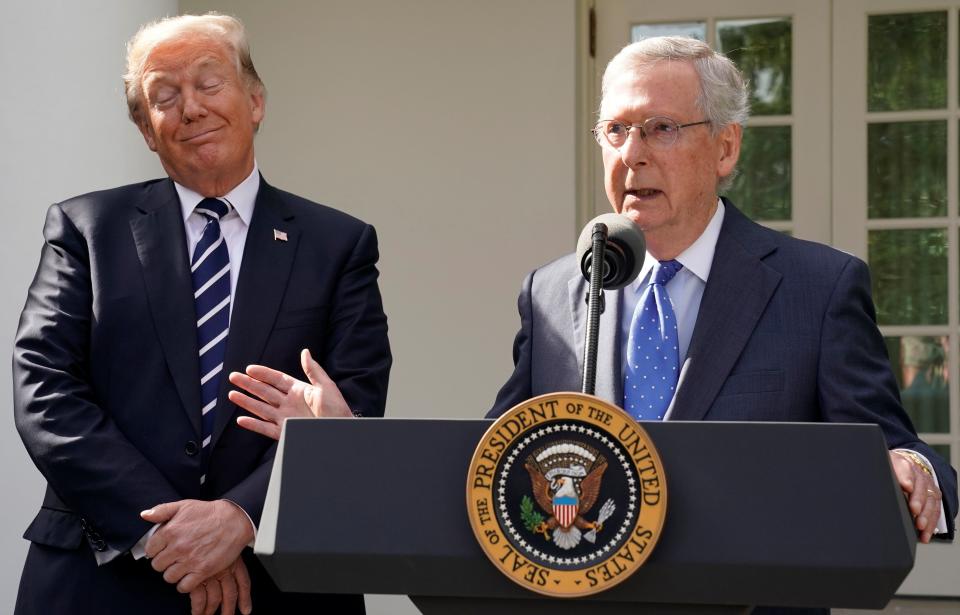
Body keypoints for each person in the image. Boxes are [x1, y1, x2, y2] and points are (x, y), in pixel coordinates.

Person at [486, 35, 956, 549]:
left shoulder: (818, 290)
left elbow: (893, 448)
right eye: (616, 130)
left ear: (726, 148)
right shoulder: (552, 291)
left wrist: (912, 467)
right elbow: (497, 454)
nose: (632, 154)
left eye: (660, 128)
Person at [12, 13, 390, 615]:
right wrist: (170, 536)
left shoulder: (338, 244)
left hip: (277, 581)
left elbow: (355, 407)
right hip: (102, 577)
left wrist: (239, 517)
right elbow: (46, 392)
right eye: (165, 96)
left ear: (256, 100)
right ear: (145, 128)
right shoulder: (84, 231)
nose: (191, 108)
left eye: (210, 84)